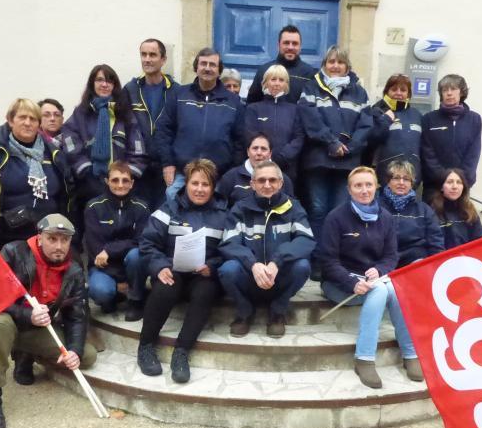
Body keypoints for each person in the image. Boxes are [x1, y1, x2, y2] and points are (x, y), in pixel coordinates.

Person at [0, 214, 97, 428]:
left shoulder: (74, 267)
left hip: (39, 327)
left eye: (65, 240)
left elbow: (77, 315)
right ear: (39, 238)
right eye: (52, 239)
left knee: (87, 356)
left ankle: (26, 354)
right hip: (10, 319)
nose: (59, 246)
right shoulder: (14, 252)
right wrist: (26, 315)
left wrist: (75, 351)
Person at [319, 167, 423, 386]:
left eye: (368, 185)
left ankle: (410, 353)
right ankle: (365, 358)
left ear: (376, 187)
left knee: (393, 289)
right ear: (349, 190)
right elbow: (328, 262)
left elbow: (391, 255)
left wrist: (380, 269)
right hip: (339, 284)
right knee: (383, 289)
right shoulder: (336, 218)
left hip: (372, 280)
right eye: (358, 185)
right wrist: (351, 281)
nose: (364, 190)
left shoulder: (385, 217)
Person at [137, 159, 228, 383]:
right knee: (165, 288)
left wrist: (212, 267)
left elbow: (229, 250)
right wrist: (159, 267)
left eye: (205, 184)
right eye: (194, 183)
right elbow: (147, 243)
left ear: (213, 187)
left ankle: (182, 352)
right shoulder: (169, 208)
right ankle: (146, 345)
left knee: (205, 292)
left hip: (203, 275)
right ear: (185, 184)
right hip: (172, 269)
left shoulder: (224, 214)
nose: (199, 189)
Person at [297, 45, 373, 275]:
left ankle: (334, 265)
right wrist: (331, 142)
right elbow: (309, 119)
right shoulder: (311, 87)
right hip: (319, 160)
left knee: (340, 213)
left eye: (340, 62)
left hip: (347, 164)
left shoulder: (359, 93)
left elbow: (366, 125)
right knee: (318, 212)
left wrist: (350, 148)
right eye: (331, 62)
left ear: (347, 67)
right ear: (324, 65)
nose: (335, 66)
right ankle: (318, 263)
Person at [218, 160, 314, 339]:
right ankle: (245, 312)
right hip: (249, 277)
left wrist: (278, 261)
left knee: (302, 266)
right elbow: (229, 243)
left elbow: (306, 240)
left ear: (281, 183)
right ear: (252, 184)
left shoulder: (294, 207)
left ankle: (277, 312)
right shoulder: (240, 209)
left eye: (272, 180)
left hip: (279, 276)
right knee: (227, 269)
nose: (267, 185)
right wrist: (253, 264)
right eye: (261, 180)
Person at [0, 98, 70, 250]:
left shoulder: (53, 153)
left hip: (46, 241)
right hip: (5, 241)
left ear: (39, 124)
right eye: (22, 117)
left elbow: (67, 192)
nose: (28, 123)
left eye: (33, 119)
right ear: (10, 121)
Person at [154, 47, 244, 201]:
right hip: (183, 175)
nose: (207, 68)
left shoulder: (233, 102)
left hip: (219, 177)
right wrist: (167, 163)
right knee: (174, 211)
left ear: (219, 70)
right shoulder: (179, 95)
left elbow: (240, 140)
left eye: (212, 65)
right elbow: (163, 130)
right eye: (203, 64)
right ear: (196, 67)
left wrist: (231, 171)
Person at [60, 64, 147, 219]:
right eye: (99, 80)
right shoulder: (81, 112)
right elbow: (68, 137)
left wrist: (127, 173)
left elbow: (137, 147)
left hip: (120, 185)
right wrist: (85, 167)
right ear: (92, 84)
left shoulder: (124, 113)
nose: (104, 84)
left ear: (115, 86)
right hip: (90, 183)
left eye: (109, 81)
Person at [84, 161, 150, 320]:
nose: (120, 185)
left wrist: (110, 250)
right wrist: (118, 284)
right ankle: (115, 294)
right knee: (101, 292)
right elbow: (95, 249)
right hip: (103, 267)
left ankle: (135, 300)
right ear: (107, 181)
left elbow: (141, 241)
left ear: (132, 183)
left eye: (125, 180)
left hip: (130, 266)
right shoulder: (93, 207)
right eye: (115, 180)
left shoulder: (142, 207)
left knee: (137, 254)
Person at [124, 38, 179, 211]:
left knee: (162, 216)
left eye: (153, 55)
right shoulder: (131, 90)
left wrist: (170, 161)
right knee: (139, 215)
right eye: (144, 54)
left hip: (166, 167)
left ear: (163, 60)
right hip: (137, 167)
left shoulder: (176, 91)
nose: (147, 59)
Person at [420, 74, 482, 203]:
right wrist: (443, 179)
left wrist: (459, 181)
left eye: (453, 89)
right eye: (444, 90)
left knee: (458, 222)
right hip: (434, 187)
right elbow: (427, 152)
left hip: (460, 187)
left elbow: (473, 154)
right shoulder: (429, 119)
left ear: (462, 92)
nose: (449, 93)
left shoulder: (474, 119)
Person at [244, 64, 305, 181]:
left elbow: (299, 137)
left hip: (287, 168)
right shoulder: (253, 109)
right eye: (273, 79)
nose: (277, 83)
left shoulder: (294, 109)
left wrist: (283, 157)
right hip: (259, 167)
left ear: (286, 84)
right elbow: (250, 135)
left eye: (281, 80)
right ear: (266, 82)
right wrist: (265, 157)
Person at [378, 160, 444, 267]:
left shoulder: (424, 210)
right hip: (382, 262)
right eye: (396, 178)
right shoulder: (375, 207)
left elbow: (435, 242)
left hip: (415, 263)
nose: (401, 183)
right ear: (388, 182)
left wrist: (435, 265)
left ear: (412, 183)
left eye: (406, 179)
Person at [369, 74, 423, 188]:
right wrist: (386, 119)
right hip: (386, 176)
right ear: (386, 92)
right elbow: (372, 139)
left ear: (408, 94)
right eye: (394, 89)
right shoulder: (376, 111)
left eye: (403, 90)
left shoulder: (416, 115)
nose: (398, 93)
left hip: (411, 177)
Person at [216, 133, 294, 205]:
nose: (259, 153)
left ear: (270, 154)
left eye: (263, 149)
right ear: (248, 152)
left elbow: (292, 210)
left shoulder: (283, 180)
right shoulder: (230, 177)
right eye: (255, 148)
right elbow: (220, 209)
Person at [246, 24, 316, 104]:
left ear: (300, 47)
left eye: (295, 43)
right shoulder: (264, 70)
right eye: (286, 43)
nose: (290, 47)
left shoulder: (309, 73)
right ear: (278, 45)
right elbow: (251, 104)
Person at [429, 168, 482, 249]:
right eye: (449, 182)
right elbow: (432, 244)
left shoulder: (470, 210)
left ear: (463, 187)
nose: (455, 186)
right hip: (443, 259)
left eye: (459, 182)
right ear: (441, 187)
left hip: (467, 258)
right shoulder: (432, 211)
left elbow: (480, 240)